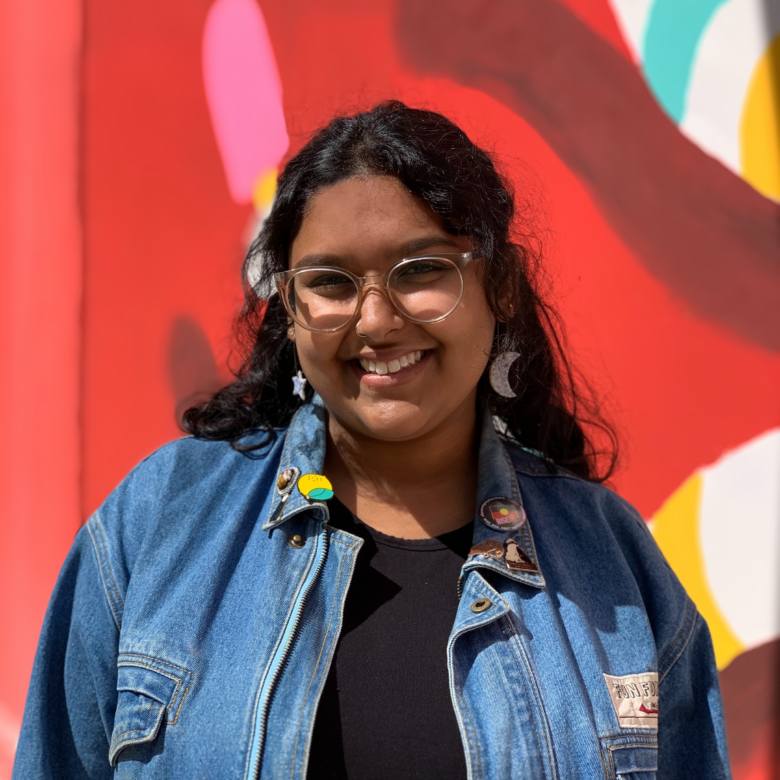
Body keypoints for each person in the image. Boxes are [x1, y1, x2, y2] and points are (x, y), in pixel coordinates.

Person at [13, 101, 731, 779]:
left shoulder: (611, 565)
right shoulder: (160, 524)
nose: (376, 320)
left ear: (502, 285)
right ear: (291, 310)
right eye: (331, 283)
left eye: (420, 271)